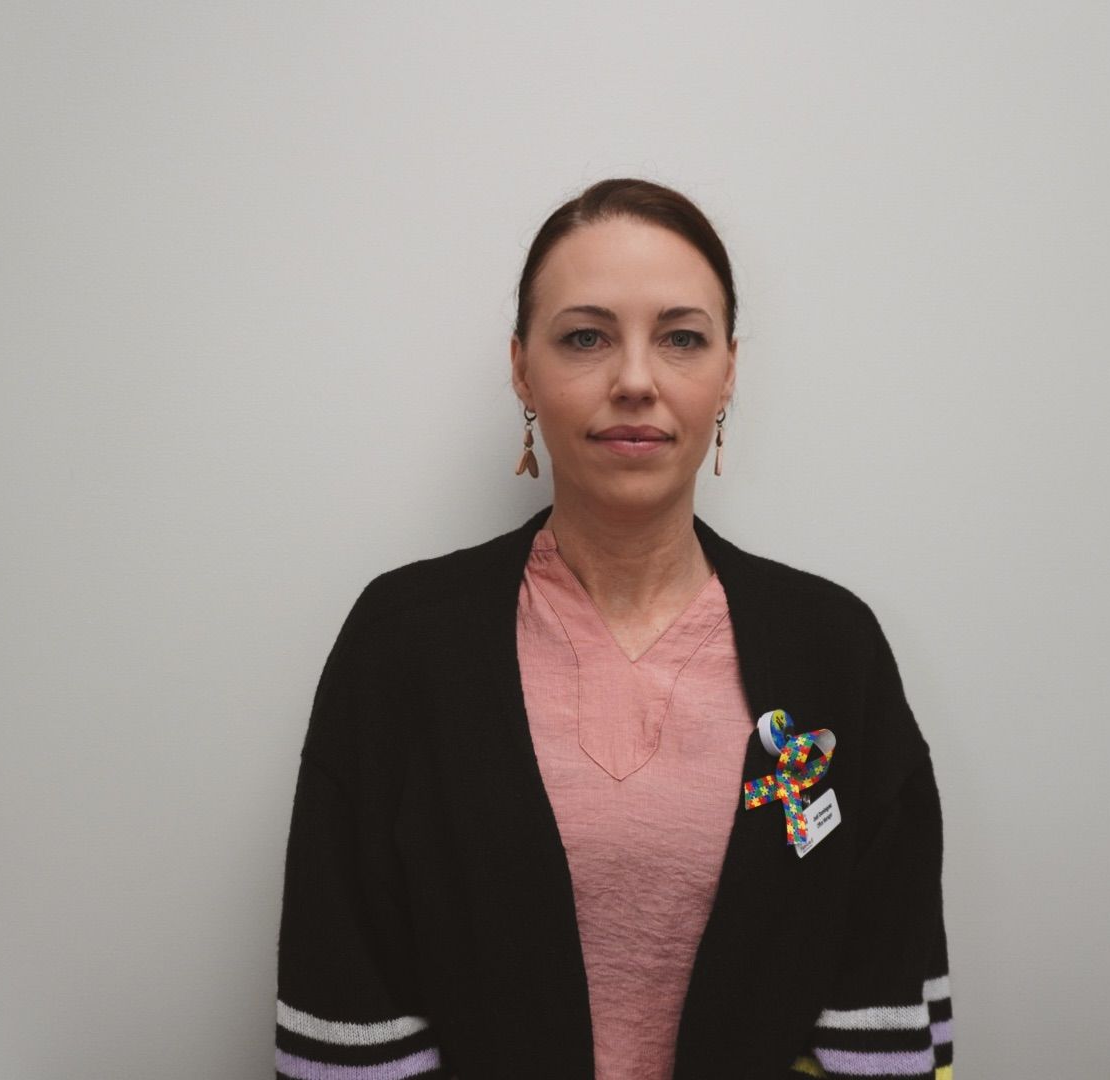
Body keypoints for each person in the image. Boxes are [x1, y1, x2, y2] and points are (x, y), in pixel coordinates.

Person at [273, 178, 954, 1080]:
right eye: (585, 337)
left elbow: (884, 995)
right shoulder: (404, 646)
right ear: (521, 367)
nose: (635, 380)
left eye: (681, 338)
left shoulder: (834, 651)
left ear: (730, 370)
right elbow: (344, 995)